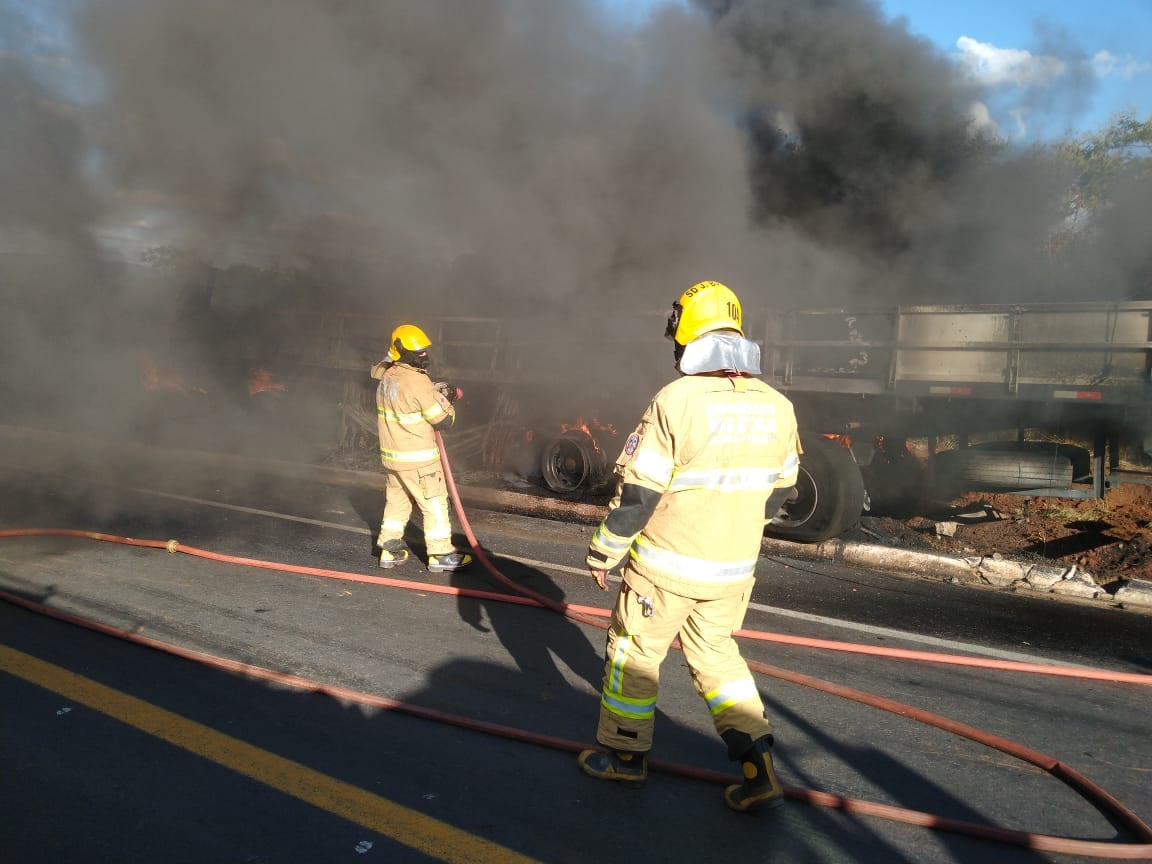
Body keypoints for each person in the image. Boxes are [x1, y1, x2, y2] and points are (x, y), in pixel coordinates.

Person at [577, 280, 801, 813]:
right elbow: (783, 491)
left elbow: (639, 495)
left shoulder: (675, 400)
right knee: (720, 662)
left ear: (686, 333)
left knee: (635, 655)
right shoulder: (778, 405)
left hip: (666, 571)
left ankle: (625, 759)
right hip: (732, 573)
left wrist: (603, 551)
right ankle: (758, 767)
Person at [372, 324, 472, 573]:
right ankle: (440, 554)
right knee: (435, 504)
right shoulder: (418, 381)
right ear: (401, 351)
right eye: (419, 352)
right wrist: (446, 399)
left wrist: (433, 390)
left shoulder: (387, 377)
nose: (424, 356)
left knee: (397, 503)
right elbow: (443, 420)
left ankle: (389, 549)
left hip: (393, 459)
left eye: (425, 351)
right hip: (419, 461)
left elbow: (409, 399)